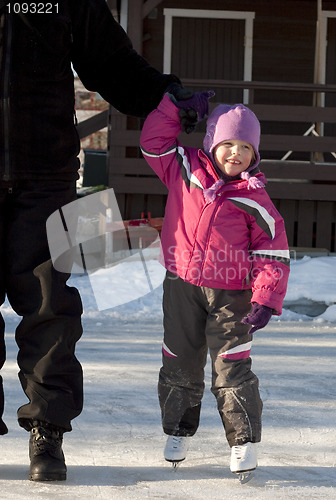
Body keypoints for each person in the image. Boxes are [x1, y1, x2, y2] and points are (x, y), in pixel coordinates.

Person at [0, 0, 196, 482]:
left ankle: (48, 428)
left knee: (49, 305)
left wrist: (163, 94)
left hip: (47, 173)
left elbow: (110, 62)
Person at [140, 90, 290, 478]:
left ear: (254, 154)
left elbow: (273, 250)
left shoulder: (254, 199)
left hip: (232, 295)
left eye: (245, 147)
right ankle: (178, 431)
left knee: (232, 367)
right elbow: (153, 143)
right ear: (211, 143)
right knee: (179, 360)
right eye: (228, 144)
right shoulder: (184, 169)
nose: (235, 153)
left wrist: (265, 298)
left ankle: (242, 443)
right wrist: (174, 109)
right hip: (182, 286)